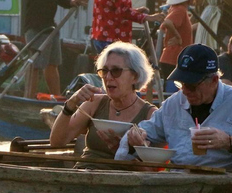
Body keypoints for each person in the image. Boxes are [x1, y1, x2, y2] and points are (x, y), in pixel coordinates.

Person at [116, 44, 232, 170]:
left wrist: (231, 143)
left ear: (214, 80)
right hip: (175, 183)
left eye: (192, 86)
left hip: (221, 188)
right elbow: (142, 132)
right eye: (181, 84)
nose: (186, 91)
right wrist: (133, 139)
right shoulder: (174, 103)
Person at [49, 41, 158, 169]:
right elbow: (57, 142)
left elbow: (152, 171)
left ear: (135, 76)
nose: (108, 77)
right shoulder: (94, 103)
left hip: (122, 183)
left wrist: (126, 154)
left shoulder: (150, 115)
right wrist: (71, 104)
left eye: (116, 71)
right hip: (83, 174)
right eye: (104, 71)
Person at [23, 0, 98, 99]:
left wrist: (71, 2)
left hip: (50, 26)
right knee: (35, 65)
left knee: (52, 64)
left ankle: (56, 98)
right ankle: (27, 99)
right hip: (37, 27)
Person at [158, 0, 207, 79]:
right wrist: (178, 36)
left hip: (173, 57)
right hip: (175, 56)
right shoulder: (180, 9)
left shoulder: (175, 8)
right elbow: (167, 22)